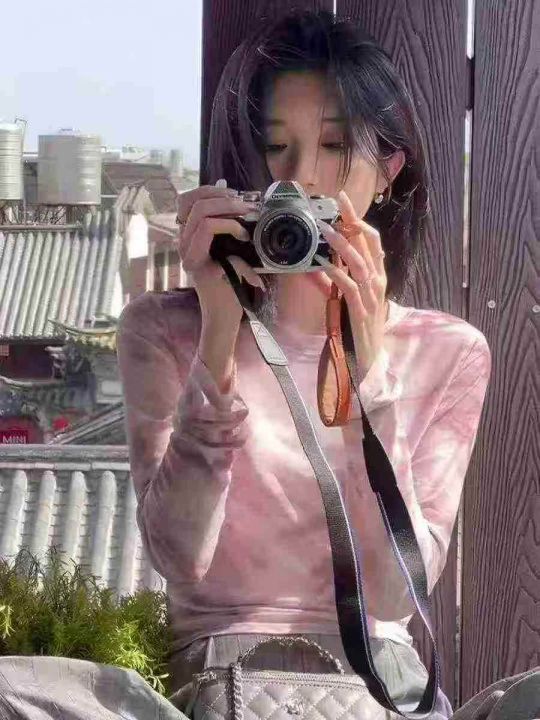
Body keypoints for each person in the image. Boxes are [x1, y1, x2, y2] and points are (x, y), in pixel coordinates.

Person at [115, 9, 491, 720]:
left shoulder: (449, 352)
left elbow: (392, 596)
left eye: (335, 146)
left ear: (388, 173)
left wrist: (370, 377)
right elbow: (181, 558)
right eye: (275, 149)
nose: (302, 179)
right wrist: (219, 332)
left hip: (375, 685)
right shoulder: (163, 332)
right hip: (217, 677)